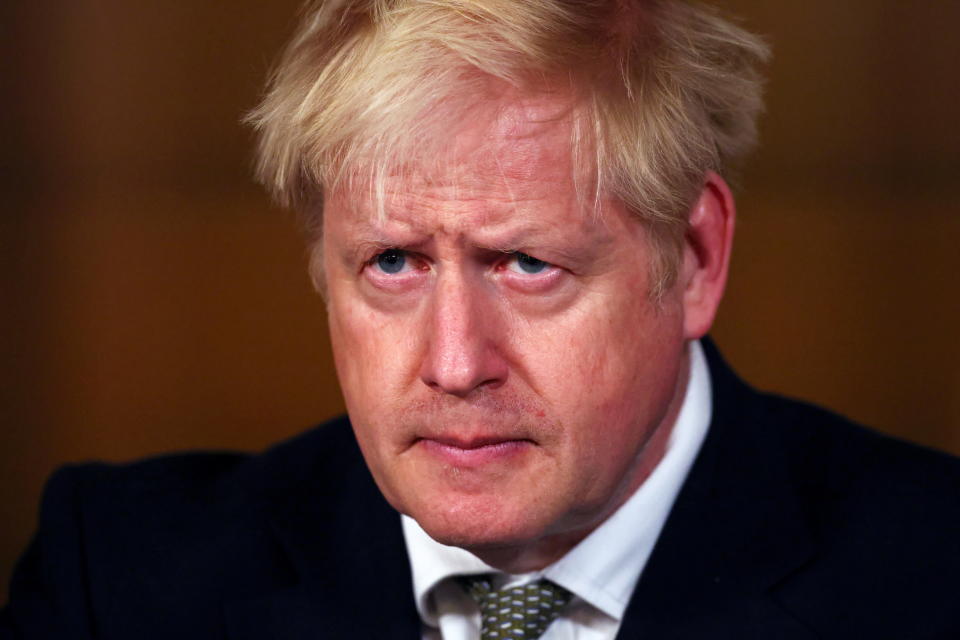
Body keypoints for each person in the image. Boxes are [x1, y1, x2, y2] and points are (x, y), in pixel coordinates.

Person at [3, 1, 959, 638]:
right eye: (392, 262)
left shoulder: (935, 578)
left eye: (529, 263)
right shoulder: (118, 583)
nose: (456, 366)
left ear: (696, 257)